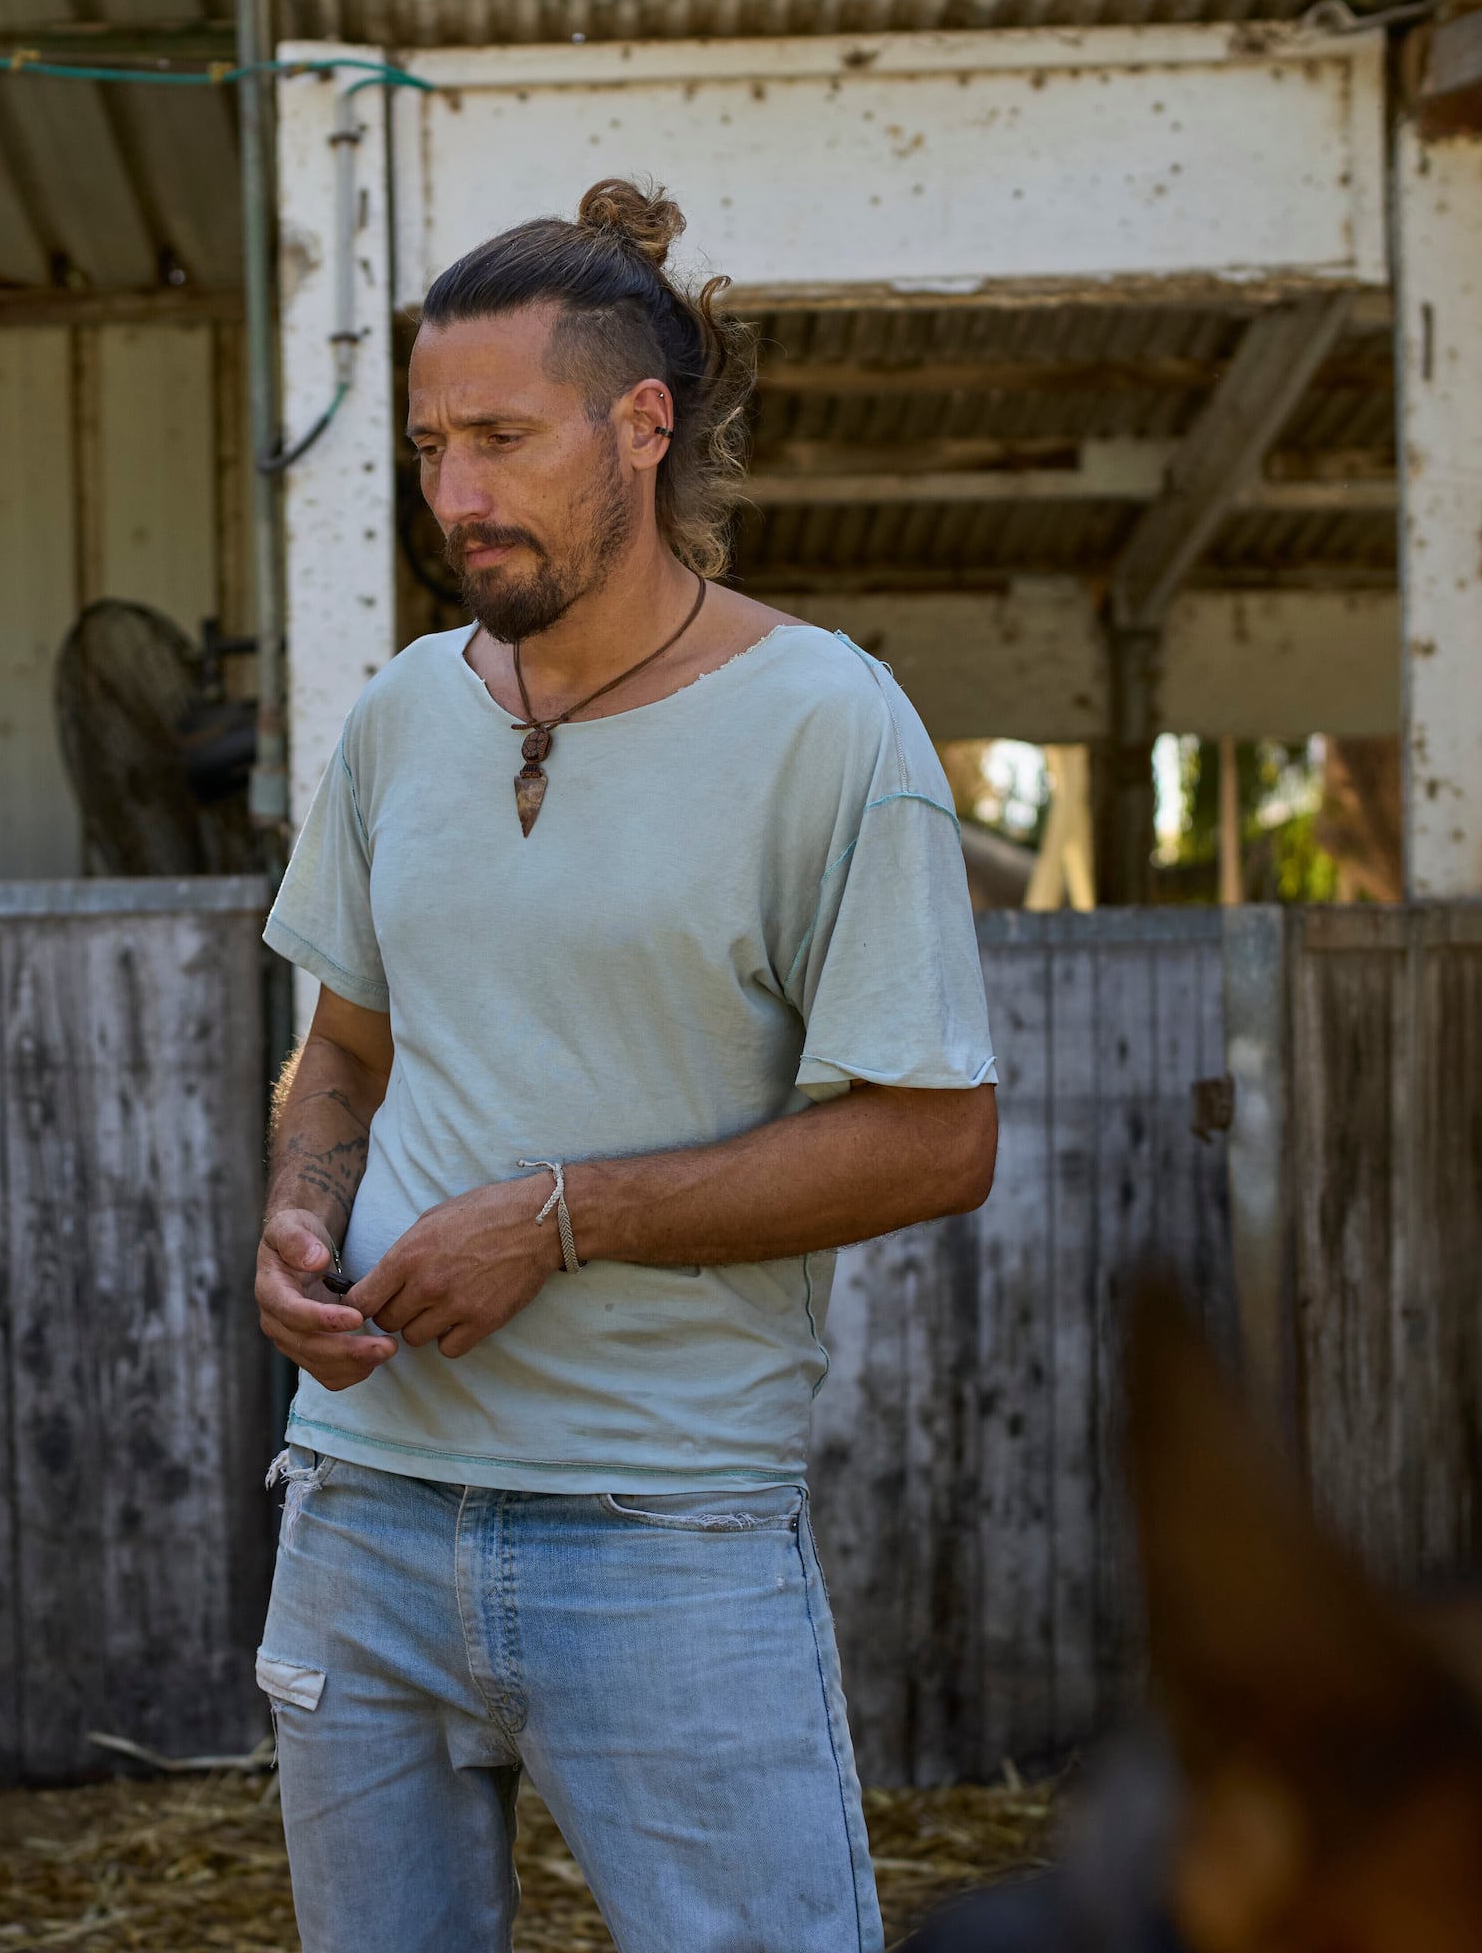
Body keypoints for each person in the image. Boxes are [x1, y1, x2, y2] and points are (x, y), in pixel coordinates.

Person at [253, 177, 1002, 1953]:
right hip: (357, 1508)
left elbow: (937, 1141)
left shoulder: (829, 725)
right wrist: (295, 1217)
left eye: (502, 440)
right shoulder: (397, 718)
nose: (455, 496)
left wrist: (560, 1220)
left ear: (641, 427)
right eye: (433, 445)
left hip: (659, 1530)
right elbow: (341, 1052)